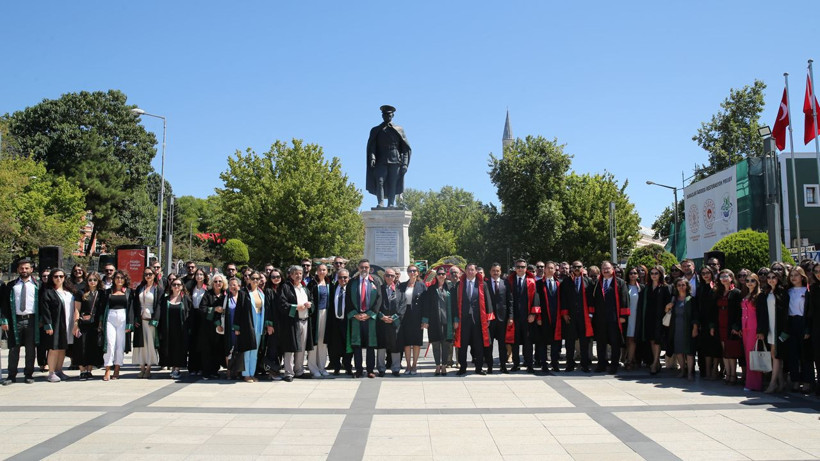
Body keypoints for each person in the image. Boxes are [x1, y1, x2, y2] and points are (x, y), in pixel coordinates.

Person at [1, 259, 40, 385]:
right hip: (15, 320)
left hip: (31, 320)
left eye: (26, 268)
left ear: (31, 269)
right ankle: (11, 375)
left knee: (30, 349)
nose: (24, 270)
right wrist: (4, 320)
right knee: (13, 348)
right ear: (18, 269)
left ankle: (29, 374)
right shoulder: (11, 285)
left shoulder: (37, 285)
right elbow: (4, 305)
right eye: (22, 268)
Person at [366, 104, 411, 208]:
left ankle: (391, 203)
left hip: (395, 160)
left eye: (389, 115)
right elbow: (372, 147)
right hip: (380, 160)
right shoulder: (376, 130)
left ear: (392, 115)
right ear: (382, 116)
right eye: (385, 115)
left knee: (392, 183)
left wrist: (405, 164)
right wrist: (372, 157)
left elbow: (405, 149)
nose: (387, 116)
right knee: (380, 181)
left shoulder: (399, 129)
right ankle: (380, 203)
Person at [454, 263, 493, 376]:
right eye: (468, 269)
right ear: (465, 271)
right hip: (463, 320)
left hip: (478, 320)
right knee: (463, 345)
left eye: (472, 270)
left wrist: (488, 318)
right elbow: (455, 303)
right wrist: (456, 319)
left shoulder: (482, 284)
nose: (470, 272)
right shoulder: (459, 285)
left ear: (476, 271)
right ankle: (462, 367)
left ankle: (479, 368)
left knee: (478, 345)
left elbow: (488, 301)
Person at [591, 261, 629, 374]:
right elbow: (593, 300)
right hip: (600, 318)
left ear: (612, 269)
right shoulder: (597, 283)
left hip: (614, 318)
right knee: (601, 342)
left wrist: (623, 316)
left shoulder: (620, 282)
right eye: (603, 268)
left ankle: (614, 365)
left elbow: (624, 299)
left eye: (607, 268)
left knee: (615, 342)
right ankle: (601, 364)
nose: (605, 270)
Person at [345, 259, 382, 378]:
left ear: (369, 268)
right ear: (358, 268)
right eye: (362, 267)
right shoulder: (352, 282)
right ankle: (359, 370)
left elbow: (379, 299)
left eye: (366, 267)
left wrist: (370, 313)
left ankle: (370, 370)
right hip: (356, 317)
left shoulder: (375, 281)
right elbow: (348, 299)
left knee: (370, 345)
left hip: (370, 318)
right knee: (357, 345)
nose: (364, 269)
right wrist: (354, 314)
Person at [279, 266, 313, 382]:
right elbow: (282, 304)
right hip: (292, 322)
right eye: (296, 273)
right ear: (291, 275)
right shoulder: (286, 287)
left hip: (305, 320)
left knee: (301, 347)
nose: (298, 276)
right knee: (290, 347)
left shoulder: (304, 287)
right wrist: (295, 307)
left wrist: (310, 304)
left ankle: (299, 370)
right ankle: (288, 372)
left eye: (300, 273)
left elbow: (311, 300)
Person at [41, 268, 75, 382]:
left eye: (61, 276)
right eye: (56, 276)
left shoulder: (69, 292)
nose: (59, 278)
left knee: (62, 348)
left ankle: (59, 370)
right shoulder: (48, 292)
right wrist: (48, 325)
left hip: (67, 324)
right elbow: (45, 310)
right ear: (52, 278)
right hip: (55, 325)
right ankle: (51, 372)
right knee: (54, 348)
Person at [559, 261, 593, 373]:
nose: (577, 268)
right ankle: (570, 364)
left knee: (584, 342)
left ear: (582, 268)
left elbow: (591, 299)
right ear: (571, 268)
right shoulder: (566, 281)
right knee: (569, 342)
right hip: (570, 316)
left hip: (584, 316)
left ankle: (584, 364)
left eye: (579, 266)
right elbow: (563, 298)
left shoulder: (588, 281)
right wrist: (564, 313)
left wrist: (590, 314)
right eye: (575, 267)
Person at [636, 265, 671, 375]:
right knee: (651, 340)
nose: (654, 275)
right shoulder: (646, 288)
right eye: (652, 273)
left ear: (660, 275)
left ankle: (655, 363)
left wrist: (667, 308)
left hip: (660, 318)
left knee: (657, 340)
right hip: (648, 318)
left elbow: (669, 302)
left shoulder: (665, 288)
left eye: (656, 273)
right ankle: (656, 362)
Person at [759, 270, 788, 393]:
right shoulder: (766, 292)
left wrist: (785, 331)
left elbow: (786, 313)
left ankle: (773, 383)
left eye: (774, 277)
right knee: (773, 354)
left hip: (778, 328)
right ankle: (781, 382)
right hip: (769, 327)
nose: (771, 279)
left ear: (779, 279)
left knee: (776, 355)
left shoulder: (783, 293)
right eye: (769, 277)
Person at [509, 259, 540, 373]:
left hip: (527, 317)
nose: (520, 269)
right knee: (515, 343)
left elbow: (536, 298)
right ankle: (515, 364)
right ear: (515, 268)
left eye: (522, 267)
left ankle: (529, 364)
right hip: (515, 317)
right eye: (518, 267)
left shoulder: (531, 281)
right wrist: (510, 316)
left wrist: (533, 314)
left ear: (526, 269)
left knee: (528, 342)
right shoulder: (510, 281)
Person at [101, 270, 133, 381]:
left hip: (123, 318)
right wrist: (100, 321)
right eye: (117, 277)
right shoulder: (108, 292)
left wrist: (130, 323)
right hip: (110, 317)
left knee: (120, 345)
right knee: (110, 344)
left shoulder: (128, 292)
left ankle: (117, 368)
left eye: (122, 278)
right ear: (114, 279)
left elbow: (131, 308)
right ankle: (107, 368)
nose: (119, 280)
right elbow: (102, 307)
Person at [423, 267, 455, 376]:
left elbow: (455, 306)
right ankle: (437, 366)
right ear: (436, 276)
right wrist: (425, 320)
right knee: (435, 344)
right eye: (439, 274)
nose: (441, 276)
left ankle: (444, 366)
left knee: (446, 344)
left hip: (447, 320)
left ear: (446, 276)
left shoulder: (450, 288)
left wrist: (455, 319)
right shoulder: (431, 289)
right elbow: (426, 305)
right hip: (434, 320)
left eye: (443, 274)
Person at [72, 271, 104, 380]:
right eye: (90, 280)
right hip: (82, 322)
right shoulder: (81, 292)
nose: (92, 282)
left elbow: (101, 310)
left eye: (95, 280)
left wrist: (100, 324)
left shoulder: (101, 293)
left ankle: (89, 370)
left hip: (94, 323)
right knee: (80, 346)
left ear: (98, 281)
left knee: (92, 346)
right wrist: (75, 324)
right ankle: (82, 370)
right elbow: (77, 309)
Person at [158, 278, 191, 379]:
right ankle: (172, 367)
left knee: (179, 349)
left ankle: (177, 369)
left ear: (182, 287)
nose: (176, 286)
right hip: (168, 328)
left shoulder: (186, 299)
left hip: (181, 329)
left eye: (178, 285)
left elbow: (190, 314)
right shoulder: (165, 299)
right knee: (169, 348)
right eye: (174, 284)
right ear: (171, 286)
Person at [132, 268, 162, 379]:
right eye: (146, 274)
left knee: (150, 344)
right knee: (141, 345)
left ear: (154, 275)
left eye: (150, 274)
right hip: (141, 319)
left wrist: (156, 319)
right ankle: (141, 368)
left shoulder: (158, 289)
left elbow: (159, 305)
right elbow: (135, 304)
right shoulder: (140, 288)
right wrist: (135, 319)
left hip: (151, 320)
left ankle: (148, 368)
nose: (148, 276)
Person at [785, 267, 812, 393]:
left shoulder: (807, 291)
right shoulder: (788, 291)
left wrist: (807, 329)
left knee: (805, 354)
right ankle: (795, 380)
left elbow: (809, 311)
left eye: (796, 275)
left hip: (803, 322)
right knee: (793, 354)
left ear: (802, 276)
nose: (793, 278)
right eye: (791, 275)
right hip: (791, 322)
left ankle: (807, 381)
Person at [714, 269, 742, 385]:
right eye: (721, 277)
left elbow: (739, 311)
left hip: (731, 325)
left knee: (731, 351)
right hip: (720, 323)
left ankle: (733, 375)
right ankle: (728, 374)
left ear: (731, 278)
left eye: (726, 276)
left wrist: (736, 326)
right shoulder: (719, 292)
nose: (724, 279)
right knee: (724, 350)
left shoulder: (737, 292)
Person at [667, 277, 698, 380]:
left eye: (683, 285)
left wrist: (695, 328)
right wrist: (667, 307)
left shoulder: (691, 299)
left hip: (688, 327)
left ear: (687, 286)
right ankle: (682, 370)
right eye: (679, 285)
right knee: (679, 350)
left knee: (689, 351)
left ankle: (690, 373)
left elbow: (695, 315)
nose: (681, 287)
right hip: (676, 327)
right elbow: (667, 312)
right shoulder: (674, 299)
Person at [377, 267, 406, 376]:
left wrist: (394, 317)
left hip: (395, 323)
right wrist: (382, 316)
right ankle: (381, 368)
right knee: (381, 346)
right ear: (384, 277)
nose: (390, 277)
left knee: (395, 345)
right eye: (387, 275)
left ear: (395, 277)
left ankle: (395, 368)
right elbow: (375, 304)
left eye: (392, 275)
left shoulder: (400, 290)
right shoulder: (379, 289)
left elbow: (403, 305)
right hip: (382, 322)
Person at [485, 262, 512, 374]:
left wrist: (510, 317)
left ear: (500, 272)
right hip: (489, 319)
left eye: (497, 271)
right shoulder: (485, 284)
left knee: (502, 344)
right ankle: (490, 366)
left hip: (503, 319)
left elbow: (510, 301)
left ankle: (503, 366)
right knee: (489, 344)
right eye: (493, 270)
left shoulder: (505, 283)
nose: (495, 273)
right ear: (490, 272)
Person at [398, 264, 426, 375]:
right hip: (405, 316)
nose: (412, 273)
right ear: (407, 273)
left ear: (418, 272)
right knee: (406, 342)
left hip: (417, 316)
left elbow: (425, 304)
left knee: (416, 342)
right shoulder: (402, 285)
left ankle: (414, 365)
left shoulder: (422, 285)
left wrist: (424, 320)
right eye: (410, 271)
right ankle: (408, 365)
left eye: (414, 271)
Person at [536, 261, 562, 372]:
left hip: (556, 316)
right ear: (545, 269)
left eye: (552, 268)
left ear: (555, 270)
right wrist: (538, 317)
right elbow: (536, 302)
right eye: (548, 268)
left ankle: (555, 363)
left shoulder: (559, 283)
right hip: (544, 317)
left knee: (556, 341)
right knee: (543, 342)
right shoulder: (538, 284)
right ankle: (543, 364)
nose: (550, 270)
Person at [200, 274, 227, 380]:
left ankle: (215, 371)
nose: (217, 283)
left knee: (218, 349)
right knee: (207, 350)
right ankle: (206, 372)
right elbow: (202, 309)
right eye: (215, 281)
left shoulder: (225, 295)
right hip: (208, 327)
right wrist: (214, 309)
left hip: (222, 327)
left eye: (220, 281)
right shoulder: (207, 294)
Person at [307, 263, 332, 378]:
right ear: (316, 271)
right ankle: (313, 368)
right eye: (320, 270)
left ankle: (322, 367)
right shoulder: (312, 284)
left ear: (327, 271)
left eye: (324, 270)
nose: (322, 272)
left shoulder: (329, 283)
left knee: (323, 342)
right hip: (315, 316)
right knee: (314, 341)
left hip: (326, 314)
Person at [698, 266, 721, 380]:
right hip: (703, 321)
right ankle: (707, 371)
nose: (705, 275)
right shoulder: (701, 288)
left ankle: (714, 370)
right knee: (705, 346)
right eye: (703, 273)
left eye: (707, 273)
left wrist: (713, 324)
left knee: (715, 346)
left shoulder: (716, 288)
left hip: (714, 320)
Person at [741, 274, 763, 391]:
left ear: (757, 282)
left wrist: (760, 330)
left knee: (752, 355)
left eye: (752, 281)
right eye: (747, 280)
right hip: (745, 327)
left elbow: (761, 314)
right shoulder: (746, 294)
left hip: (754, 327)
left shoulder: (759, 296)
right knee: (747, 354)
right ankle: (750, 382)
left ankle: (754, 384)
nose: (750, 283)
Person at [327, 269, 351, 375]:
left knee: (347, 346)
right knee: (335, 346)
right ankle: (336, 367)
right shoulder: (332, 288)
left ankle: (347, 366)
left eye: (345, 277)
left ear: (348, 278)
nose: (342, 279)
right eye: (340, 277)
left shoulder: (351, 289)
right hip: (335, 322)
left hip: (347, 321)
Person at [187, 268, 209, 376]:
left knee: (202, 342)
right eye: (197, 274)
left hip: (203, 316)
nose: (199, 276)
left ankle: (201, 367)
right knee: (193, 342)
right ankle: (193, 367)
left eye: (201, 274)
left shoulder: (207, 289)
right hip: (193, 315)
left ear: (204, 276)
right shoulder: (191, 288)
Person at [623, 267, 643, 371]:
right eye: (631, 273)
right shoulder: (624, 286)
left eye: (635, 273)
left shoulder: (641, 287)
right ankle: (630, 358)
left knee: (632, 339)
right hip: (626, 316)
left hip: (636, 317)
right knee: (627, 339)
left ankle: (629, 361)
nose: (633, 275)